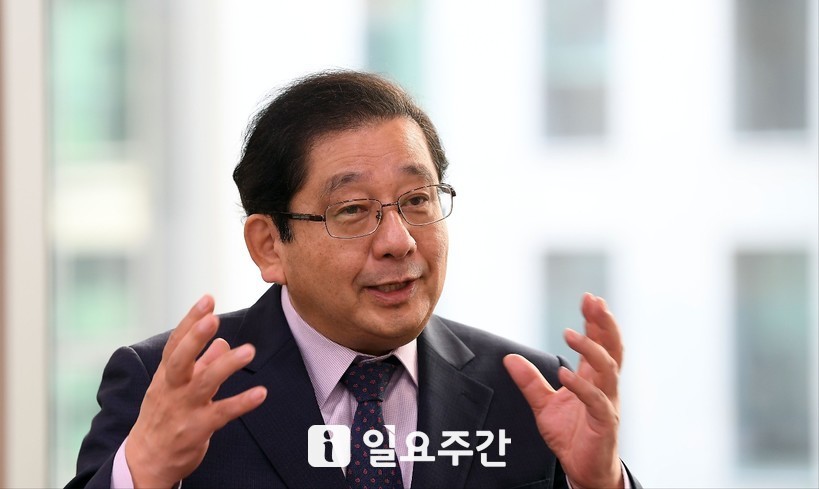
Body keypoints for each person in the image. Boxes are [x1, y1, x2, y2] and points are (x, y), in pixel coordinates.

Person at [67, 70, 638, 489]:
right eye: (353, 210)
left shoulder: (533, 393)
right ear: (269, 245)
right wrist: (144, 473)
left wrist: (600, 483)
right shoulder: (170, 388)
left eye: (417, 200)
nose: (398, 240)